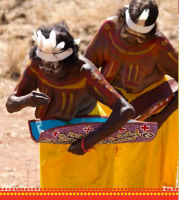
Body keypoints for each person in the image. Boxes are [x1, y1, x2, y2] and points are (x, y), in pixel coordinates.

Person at [6, 21, 135, 188]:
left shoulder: (85, 73)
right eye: (43, 64)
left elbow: (125, 111)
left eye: (53, 67)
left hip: (89, 139)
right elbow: (10, 104)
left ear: (68, 62)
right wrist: (26, 100)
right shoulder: (36, 65)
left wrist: (87, 143)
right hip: (53, 138)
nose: (46, 70)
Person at [84, 0, 178, 188]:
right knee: (98, 168)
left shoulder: (159, 45)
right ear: (121, 19)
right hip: (107, 106)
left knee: (133, 177)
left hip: (144, 113)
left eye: (140, 38)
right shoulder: (108, 29)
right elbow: (86, 68)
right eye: (128, 33)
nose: (132, 40)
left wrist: (161, 117)